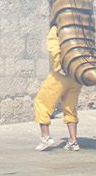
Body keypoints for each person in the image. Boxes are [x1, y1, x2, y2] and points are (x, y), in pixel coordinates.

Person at [34, 22, 81, 151]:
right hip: (76, 74)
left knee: (41, 102)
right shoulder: (80, 28)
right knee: (70, 108)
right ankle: (73, 141)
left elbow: (53, 47)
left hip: (62, 74)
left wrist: (58, 66)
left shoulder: (58, 28)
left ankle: (46, 137)